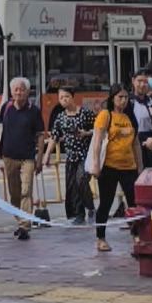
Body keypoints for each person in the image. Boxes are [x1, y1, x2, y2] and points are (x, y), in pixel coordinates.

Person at [0, 76, 45, 239]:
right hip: (9, 156)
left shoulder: (34, 111)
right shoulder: (6, 108)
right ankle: (21, 219)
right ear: (11, 92)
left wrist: (40, 159)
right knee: (14, 194)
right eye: (15, 90)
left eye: (22, 90)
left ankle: (24, 226)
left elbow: (40, 136)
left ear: (27, 92)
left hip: (27, 157)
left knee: (26, 191)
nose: (18, 93)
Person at [90, 85, 140, 253]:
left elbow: (136, 144)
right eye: (120, 97)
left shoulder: (129, 117)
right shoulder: (106, 115)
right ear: (112, 98)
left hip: (129, 167)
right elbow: (97, 140)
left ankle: (136, 235)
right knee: (106, 203)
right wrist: (96, 164)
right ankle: (100, 238)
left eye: (126, 97)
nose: (123, 100)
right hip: (109, 166)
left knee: (134, 203)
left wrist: (140, 167)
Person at [49, 85, 96, 224]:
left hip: (85, 155)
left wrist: (86, 133)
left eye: (66, 96)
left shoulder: (85, 113)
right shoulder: (60, 117)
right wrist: (46, 155)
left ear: (72, 97)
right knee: (73, 186)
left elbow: (98, 129)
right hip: (70, 157)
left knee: (81, 179)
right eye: (61, 98)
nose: (64, 100)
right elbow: (54, 136)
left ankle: (91, 208)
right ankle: (79, 214)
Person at [131, 71, 152, 170]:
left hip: (151, 141)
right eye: (139, 81)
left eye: (145, 82)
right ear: (133, 81)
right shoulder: (129, 102)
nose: (142, 85)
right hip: (134, 141)